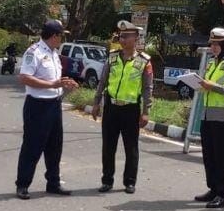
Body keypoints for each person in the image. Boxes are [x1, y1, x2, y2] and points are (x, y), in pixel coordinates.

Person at [14, 20, 78, 199]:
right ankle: (23, 184)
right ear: (54, 36)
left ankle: (53, 183)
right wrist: (52, 84)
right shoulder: (34, 52)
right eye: (61, 36)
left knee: (55, 146)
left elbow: (54, 80)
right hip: (38, 106)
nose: (62, 39)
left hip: (54, 104)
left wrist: (65, 83)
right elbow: (24, 77)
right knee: (32, 146)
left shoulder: (54, 53)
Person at [92, 20, 154, 194]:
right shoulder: (112, 57)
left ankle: (130, 181)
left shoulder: (144, 61)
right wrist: (96, 103)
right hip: (111, 107)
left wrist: (146, 111)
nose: (123, 39)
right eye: (121, 36)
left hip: (130, 110)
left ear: (136, 38)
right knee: (108, 146)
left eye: (127, 36)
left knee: (131, 147)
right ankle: (107, 180)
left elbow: (148, 88)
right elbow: (103, 81)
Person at [193, 27, 224, 209]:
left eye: (217, 44)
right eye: (212, 44)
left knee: (223, 158)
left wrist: (212, 86)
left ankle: (223, 194)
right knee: (209, 155)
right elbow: (208, 84)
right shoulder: (211, 62)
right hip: (208, 114)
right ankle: (213, 189)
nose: (213, 47)